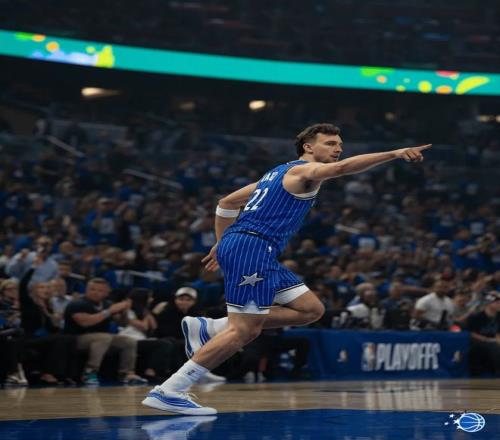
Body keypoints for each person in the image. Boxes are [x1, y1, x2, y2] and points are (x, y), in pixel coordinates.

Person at [142, 123, 431, 415]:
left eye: (340, 144)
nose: (339, 149)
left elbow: (227, 203)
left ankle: (212, 327)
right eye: (331, 143)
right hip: (253, 249)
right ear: (308, 147)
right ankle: (171, 389)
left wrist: (223, 241)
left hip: (252, 248)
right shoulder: (304, 171)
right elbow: (342, 169)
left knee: (310, 310)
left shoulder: (276, 173)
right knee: (245, 330)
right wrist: (394, 153)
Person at [64, 278, 147, 385]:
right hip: (76, 338)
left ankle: (127, 374)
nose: (95, 292)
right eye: (92, 289)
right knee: (104, 337)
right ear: (86, 290)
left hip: (102, 339)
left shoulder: (107, 304)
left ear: (106, 293)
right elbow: (85, 322)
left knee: (128, 341)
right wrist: (109, 311)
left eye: (100, 290)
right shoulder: (77, 304)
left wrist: (124, 312)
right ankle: (90, 372)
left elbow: (122, 323)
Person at [119, 288, 176, 382]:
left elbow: (154, 326)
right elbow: (143, 326)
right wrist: (147, 312)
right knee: (164, 344)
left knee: (171, 340)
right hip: (131, 340)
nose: (152, 299)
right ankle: (150, 373)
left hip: (141, 339)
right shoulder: (129, 311)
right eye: (149, 297)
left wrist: (150, 312)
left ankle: (166, 371)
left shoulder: (143, 311)